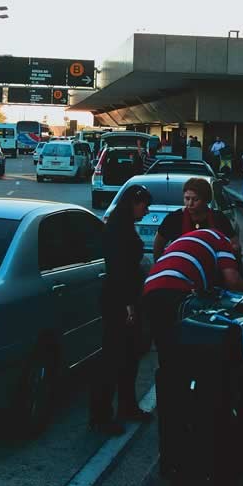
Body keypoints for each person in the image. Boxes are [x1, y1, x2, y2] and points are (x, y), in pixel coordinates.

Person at [89, 184, 155, 436]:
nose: (147, 211)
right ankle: (101, 415)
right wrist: (128, 304)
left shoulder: (122, 225)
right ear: (133, 203)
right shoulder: (118, 230)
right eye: (144, 205)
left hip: (126, 298)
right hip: (119, 300)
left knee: (129, 357)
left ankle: (127, 406)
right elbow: (119, 270)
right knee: (113, 358)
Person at [142, 227, 243, 366]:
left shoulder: (191, 239)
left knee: (165, 353)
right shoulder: (223, 242)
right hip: (177, 290)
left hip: (150, 290)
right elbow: (233, 280)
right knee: (185, 350)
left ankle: (168, 385)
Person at [152, 176, 240, 261]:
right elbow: (158, 244)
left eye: (195, 199)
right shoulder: (174, 218)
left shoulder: (218, 218)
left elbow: (234, 243)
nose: (190, 204)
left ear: (206, 199)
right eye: (187, 198)